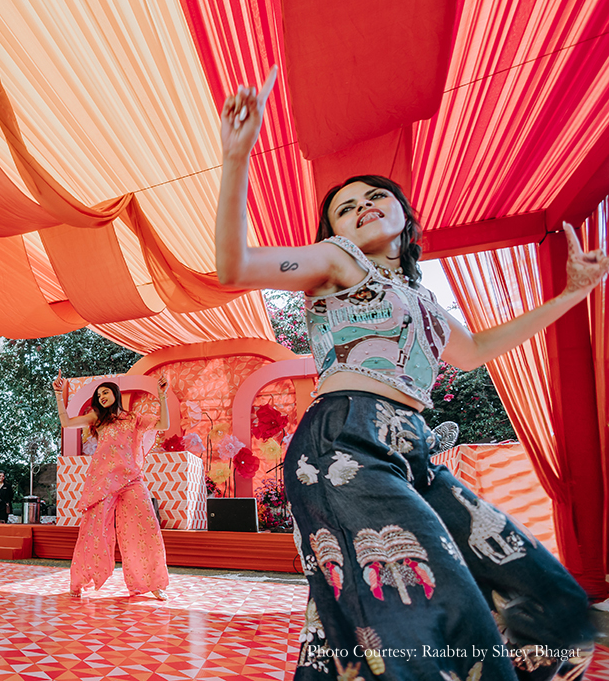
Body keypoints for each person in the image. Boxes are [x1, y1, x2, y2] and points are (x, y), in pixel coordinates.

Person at [214, 68, 606, 680]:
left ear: (403, 215)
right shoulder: (340, 264)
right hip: (344, 442)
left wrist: (570, 296)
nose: (362, 207)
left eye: (375, 196)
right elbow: (235, 265)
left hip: (412, 451)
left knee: (547, 600)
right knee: (427, 615)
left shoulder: (420, 299)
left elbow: (474, 350)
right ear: (335, 234)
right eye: (345, 209)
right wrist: (237, 158)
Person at [54, 374, 170, 599]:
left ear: (115, 394)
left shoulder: (134, 418)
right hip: (102, 482)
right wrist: (59, 395)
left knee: (146, 527)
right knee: (93, 530)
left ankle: (151, 583)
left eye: (105, 392)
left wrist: (163, 395)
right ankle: (80, 580)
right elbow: (66, 423)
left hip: (131, 480)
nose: (101, 397)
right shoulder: (97, 418)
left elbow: (163, 424)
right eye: (98, 395)